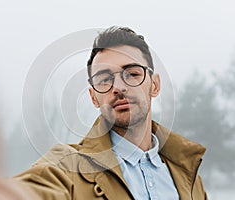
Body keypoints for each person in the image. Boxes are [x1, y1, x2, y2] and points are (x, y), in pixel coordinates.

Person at [13, 26, 208, 199]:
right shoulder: (66, 167)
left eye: (132, 74)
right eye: (104, 79)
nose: (118, 87)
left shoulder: (188, 177)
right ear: (94, 97)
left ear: (155, 85)